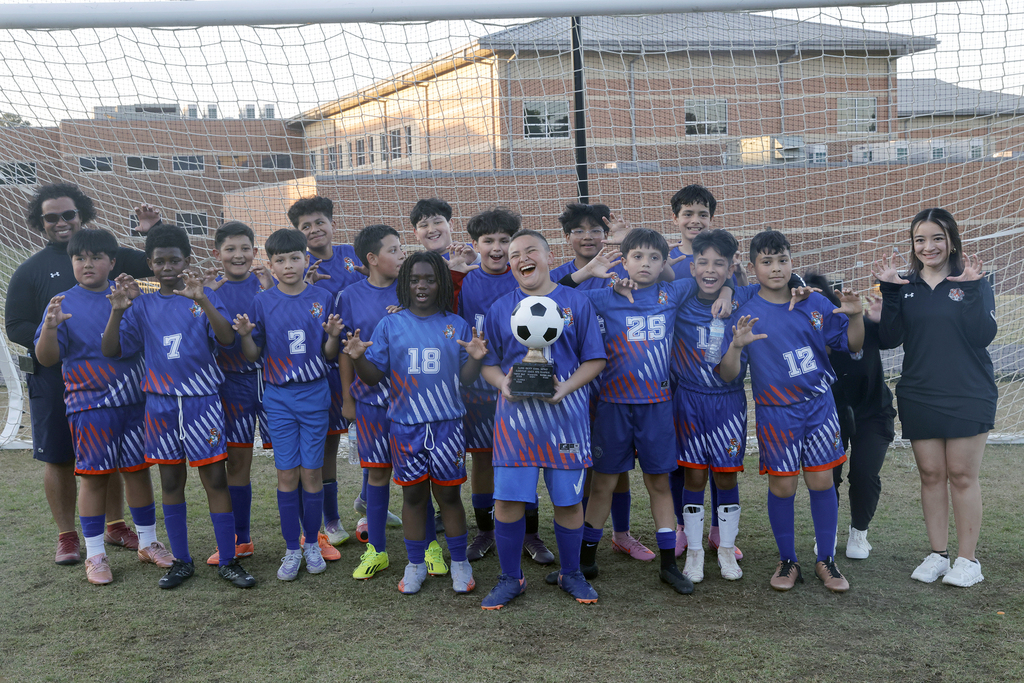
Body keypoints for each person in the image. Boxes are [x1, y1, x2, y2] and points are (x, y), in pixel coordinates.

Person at [5, 183, 159, 564]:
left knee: (117, 457)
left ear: (82, 214)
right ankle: (68, 536)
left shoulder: (113, 254)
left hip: (118, 381)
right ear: (40, 223)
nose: (61, 222)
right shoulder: (30, 270)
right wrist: (66, 342)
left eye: (68, 214)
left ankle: (117, 524)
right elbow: (15, 326)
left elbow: (161, 266)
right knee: (60, 457)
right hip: (58, 378)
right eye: (51, 217)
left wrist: (151, 232)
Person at [577, 228, 734, 596]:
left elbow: (714, 283)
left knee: (658, 483)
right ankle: (585, 560)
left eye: (653, 257)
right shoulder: (602, 298)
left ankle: (668, 565)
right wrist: (589, 273)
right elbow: (560, 292)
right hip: (613, 406)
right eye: (637, 256)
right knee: (602, 483)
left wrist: (726, 291)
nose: (644, 263)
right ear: (624, 259)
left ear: (665, 264)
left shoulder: (673, 292)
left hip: (657, 407)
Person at [101, 223, 255, 589]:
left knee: (215, 478)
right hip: (161, 405)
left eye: (174, 260)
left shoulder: (201, 297)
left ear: (187, 261)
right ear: (150, 265)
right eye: (159, 261)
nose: (167, 267)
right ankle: (182, 561)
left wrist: (202, 299)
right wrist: (118, 311)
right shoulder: (141, 306)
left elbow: (228, 339)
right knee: (171, 480)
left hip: (202, 403)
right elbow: (111, 350)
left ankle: (229, 559)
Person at [719, 229, 864, 593]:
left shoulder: (813, 302)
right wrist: (736, 347)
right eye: (767, 262)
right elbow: (728, 374)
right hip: (776, 412)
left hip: (819, 407)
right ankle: (787, 560)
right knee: (782, 486)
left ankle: (826, 559)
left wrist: (858, 316)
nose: (776, 268)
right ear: (753, 268)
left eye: (782, 260)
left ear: (791, 262)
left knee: (821, 480)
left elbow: (851, 343)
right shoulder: (746, 315)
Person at [33, 228, 174, 584]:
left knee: (138, 472)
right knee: (94, 479)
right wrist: (49, 329)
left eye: (96, 257)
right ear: (72, 262)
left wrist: (137, 300)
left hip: (135, 403)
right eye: (80, 258)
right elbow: (47, 358)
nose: (87, 264)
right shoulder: (62, 303)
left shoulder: (131, 297)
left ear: (112, 262)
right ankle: (95, 554)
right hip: (90, 406)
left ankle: (148, 542)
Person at [344, 251, 487, 596]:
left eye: (429, 279)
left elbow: (466, 379)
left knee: (449, 495)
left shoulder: (456, 324)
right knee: (413, 497)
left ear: (441, 283)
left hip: (447, 425)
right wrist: (359, 357)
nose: (422, 285)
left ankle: (459, 564)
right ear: (405, 284)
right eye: (414, 279)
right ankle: (415, 564)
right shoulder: (390, 324)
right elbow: (375, 375)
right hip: (405, 426)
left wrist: (478, 360)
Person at [479, 229, 607, 609]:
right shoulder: (501, 308)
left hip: (566, 420)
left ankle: (572, 573)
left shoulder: (577, 303)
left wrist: (564, 389)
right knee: (507, 502)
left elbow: (595, 360)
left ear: (549, 257)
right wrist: (503, 383)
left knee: (568, 502)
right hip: (515, 423)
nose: (521, 258)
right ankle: (509, 578)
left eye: (530, 250)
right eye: (514, 254)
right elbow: (488, 364)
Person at [875, 208, 995, 587]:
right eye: (920, 239)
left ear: (952, 240)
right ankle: (938, 554)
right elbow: (889, 339)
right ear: (913, 244)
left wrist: (974, 290)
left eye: (937, 238)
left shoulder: (971, 281)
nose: (929, 246)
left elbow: (982, 336)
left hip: (968, 392)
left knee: (961, 474)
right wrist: (890, 291)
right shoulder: (904, 284)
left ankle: (967, 560)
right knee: (930, 474)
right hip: (919, 392)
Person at [232, 228, 344, 581]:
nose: (288, 265)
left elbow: (328, 356)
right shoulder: (262, 301)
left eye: (295, 257)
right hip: (278, 397)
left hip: (314, 394)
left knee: (311, 473)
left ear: (306, 259)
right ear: (271, 265)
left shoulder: (323, 298)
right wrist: (246, 335)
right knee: (286, 474)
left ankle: (312, 542)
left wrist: (331, 337)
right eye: (280, 260)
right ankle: (291, 548)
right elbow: (253, 355)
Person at [550, 202, 653, 562]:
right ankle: (577, 533)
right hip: (574, 382)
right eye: (579, 230)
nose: (588, 237)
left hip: (617, 382)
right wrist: (583, 275)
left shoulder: (622, 269)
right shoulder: (560, 275)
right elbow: (547, 302)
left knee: (616, 463)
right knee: (579, 460)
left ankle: (621, 533)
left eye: (596, 230)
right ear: (567, 238)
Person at [458, 208, 554, 565]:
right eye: (489, 241)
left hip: (523, 387)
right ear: (475, 245)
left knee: (526, 459)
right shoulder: (464, 281)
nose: (496, 248)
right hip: (480, 388)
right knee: (483, 462)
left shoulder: (526, 277)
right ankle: (485, 531)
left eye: (504, 241)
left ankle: (531, 533)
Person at [336, 224, 416, 580]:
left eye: (402, 249)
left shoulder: (414, 288)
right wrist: (348, 398)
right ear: (372, 258)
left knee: (416, 476)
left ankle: (425, 546)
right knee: (378, 474)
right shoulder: (350, 296)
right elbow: (344, 353)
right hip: (369, 401)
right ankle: (377, 550)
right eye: (394, 249)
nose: (402, 255)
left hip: (412, 400)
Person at [802, 273, 896, 560]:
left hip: (873, 413)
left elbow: (893, 337)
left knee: (865, 474)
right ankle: (826, 535)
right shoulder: (802, 337)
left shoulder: (860, 325)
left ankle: (859, 534)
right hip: (829, 415)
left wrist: (886, 313)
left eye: (821, 295)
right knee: (827, 476)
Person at [288, 196, 361, 556]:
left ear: (332, 223)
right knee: (331, 443)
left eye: (320, 222)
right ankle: (331, 519)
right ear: (298, 234)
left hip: (366, 359)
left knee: (376, 437)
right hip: (326, 368)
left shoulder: (353, 254)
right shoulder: (297, 268)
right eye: (306, 226)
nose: (314, 229)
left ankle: (367, 504)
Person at [201, 221, 274, 566]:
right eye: (230, 249)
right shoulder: (210, 293)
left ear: (255, 252)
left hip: (275, 381)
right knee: (238, 463)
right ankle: (241, 538)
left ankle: (311, 536)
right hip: (233, 383)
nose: (238, 255)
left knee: (296, 461)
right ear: (217, 254)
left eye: (245, 248)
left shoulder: (268, 288)